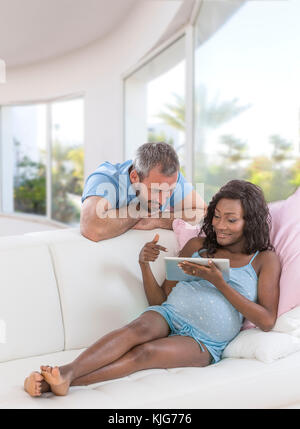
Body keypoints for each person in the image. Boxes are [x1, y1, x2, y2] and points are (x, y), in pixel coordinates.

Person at [24, 179, 281, 397]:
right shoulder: (196, 246)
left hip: (204, 341)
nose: (220, 225)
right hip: (169, 314)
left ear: (250, 222)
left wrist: (220, 283)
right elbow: (160, 298)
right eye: (216, 216)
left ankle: (51, 383)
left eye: (231, 219)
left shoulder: (263, 260)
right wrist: (144, 265)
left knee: (144, 353)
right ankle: (66, 371)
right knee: (135, 329)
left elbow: (267, 320)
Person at [80, 142, 206, 242]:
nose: (162, 201)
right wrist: (139, 210)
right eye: (156, 190)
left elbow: (201, 211)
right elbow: (91, 228)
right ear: (134, 177)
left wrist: (158, 220)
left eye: (170, 191)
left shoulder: (169, 178)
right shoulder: (105, 178)